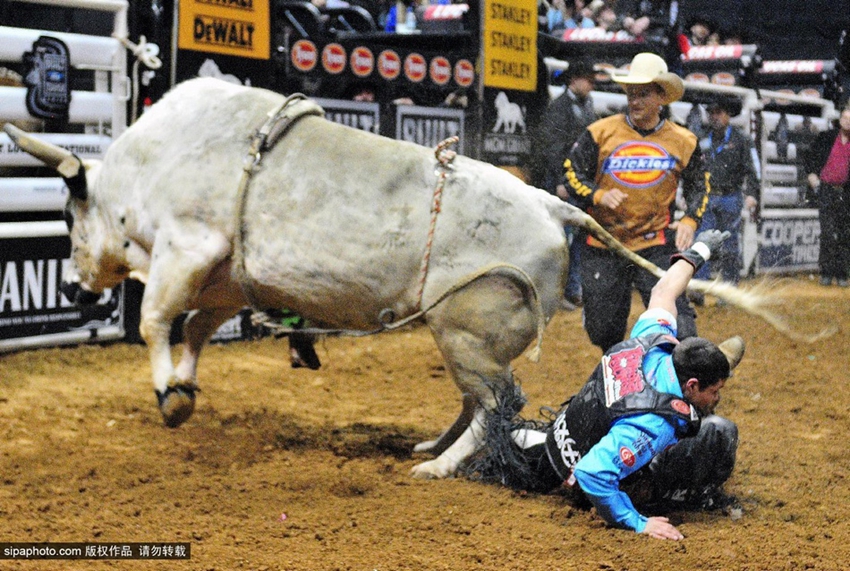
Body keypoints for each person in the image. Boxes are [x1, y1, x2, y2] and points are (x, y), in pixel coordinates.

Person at [471, 229, 745, 540]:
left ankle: (712, 363)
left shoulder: (649, 341)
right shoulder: (652, 424)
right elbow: (592, 474)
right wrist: (637, 522)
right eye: (714, 390)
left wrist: (699, 251)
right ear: (692, 384)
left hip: (574, 434)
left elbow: (663, 292)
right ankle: (687, 497)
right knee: (717, 432)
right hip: (588, 477)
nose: (718, 396)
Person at [564, 52, 709, 352]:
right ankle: (617, 367)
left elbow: (700, 183)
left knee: (679, 325)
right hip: (604, 243)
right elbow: (571, 172)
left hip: (654, 242)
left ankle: (682, 381)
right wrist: (597, 195)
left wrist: (691, 218)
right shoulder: (600, 132)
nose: (635, 101)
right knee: (604, 330)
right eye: (631, 93)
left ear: (661, 98)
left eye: (643, 94)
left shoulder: (683, 140)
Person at [539, 59, 599, 308]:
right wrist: (562, 181)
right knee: (563, 239)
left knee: (576, 238)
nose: (591, 84)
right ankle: (559, 290)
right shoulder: (560, 108)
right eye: (587, 79)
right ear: (575, 80)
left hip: (580, 181)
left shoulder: (584, 106)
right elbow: (553, 148)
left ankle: (571, 288)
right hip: (566, 180)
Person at [693, 97, 761, 286]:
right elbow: (693, 168)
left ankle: (729, 284)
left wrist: (752, 193)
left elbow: (753, 168)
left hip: (731, 196)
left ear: (728, 115)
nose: (714, 117)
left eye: (718, 113)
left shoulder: (741, 140)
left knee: (729, 245)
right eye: (711, 113)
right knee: (701, 241)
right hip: (707, 196)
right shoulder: (702, 138)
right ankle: (700, 285)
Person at [804, 105, 850, 287]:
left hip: (846, 192)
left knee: (845, 232)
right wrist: (812, 174)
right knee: (828, 232)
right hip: (827, 190)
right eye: (845, 118)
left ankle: (842, 273)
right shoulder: (827, 137)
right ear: (840, 120)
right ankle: (826, 271)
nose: (848, 122)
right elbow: (809, 157)